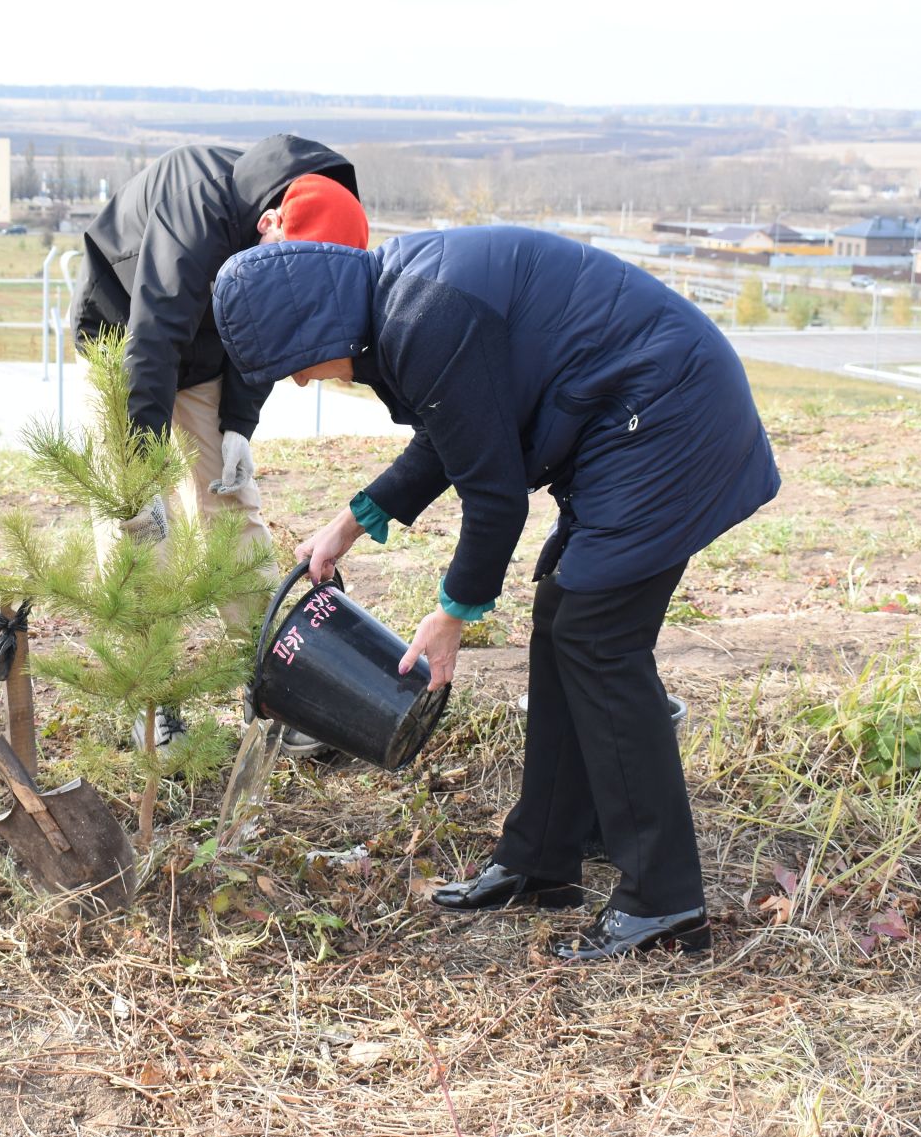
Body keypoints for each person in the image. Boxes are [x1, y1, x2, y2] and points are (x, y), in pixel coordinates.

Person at [213, 227, 780, 962]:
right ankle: (543, 858)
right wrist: (348, 525)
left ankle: (663, 903)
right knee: (565, 624)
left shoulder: (423, 315)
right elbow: (457, 433)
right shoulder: (397, 303)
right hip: (634, 415)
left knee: (598, 639)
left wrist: (453, 613)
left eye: (292, 364)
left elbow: (494, 494)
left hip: (667, 418)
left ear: (317, 324)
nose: (297, 381)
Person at [72, 137, 369, 753]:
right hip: (123, 342)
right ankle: (154, 701)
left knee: (230, 505)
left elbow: (272, 328)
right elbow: (151, 339)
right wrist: (139, 467)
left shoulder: (311, 230)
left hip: (206, 357)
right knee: (137, 531)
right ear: (268, 225)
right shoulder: (195, 200)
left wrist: (238, 421)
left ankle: (278, 685)